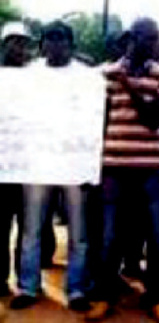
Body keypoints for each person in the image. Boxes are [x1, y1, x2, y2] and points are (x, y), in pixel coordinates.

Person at [86, 18, 159, 322]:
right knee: (110, 236)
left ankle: (158, 298)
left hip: (150, 168)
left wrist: (128, 85)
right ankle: (103, 296)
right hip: (113, 166)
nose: (155, 44)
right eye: (150, 38)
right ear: (132, 39)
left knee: (157, 236)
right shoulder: (104, 73)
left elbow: (153, 120)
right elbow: (98, 121)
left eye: (157, 38)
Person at [10, 21, 92, 311]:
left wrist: (89, 164)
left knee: (78, 233)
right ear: (42, 44)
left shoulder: (87, 78)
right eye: (50, 38)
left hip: (74, 163)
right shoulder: (28, 76)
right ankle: (29, 288)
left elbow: (94, 121)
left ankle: (77, 289)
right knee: (32, 228)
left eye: (61, 38)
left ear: (71, 44)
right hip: (38, 163)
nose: (55, 44)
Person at [0, 21, 31, 298]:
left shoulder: (37, 79)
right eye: (14, 42)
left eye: (23, 43)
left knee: (28, 226)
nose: (19, 47)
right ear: (4, 44)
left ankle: (26, 281)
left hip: (30, 164)